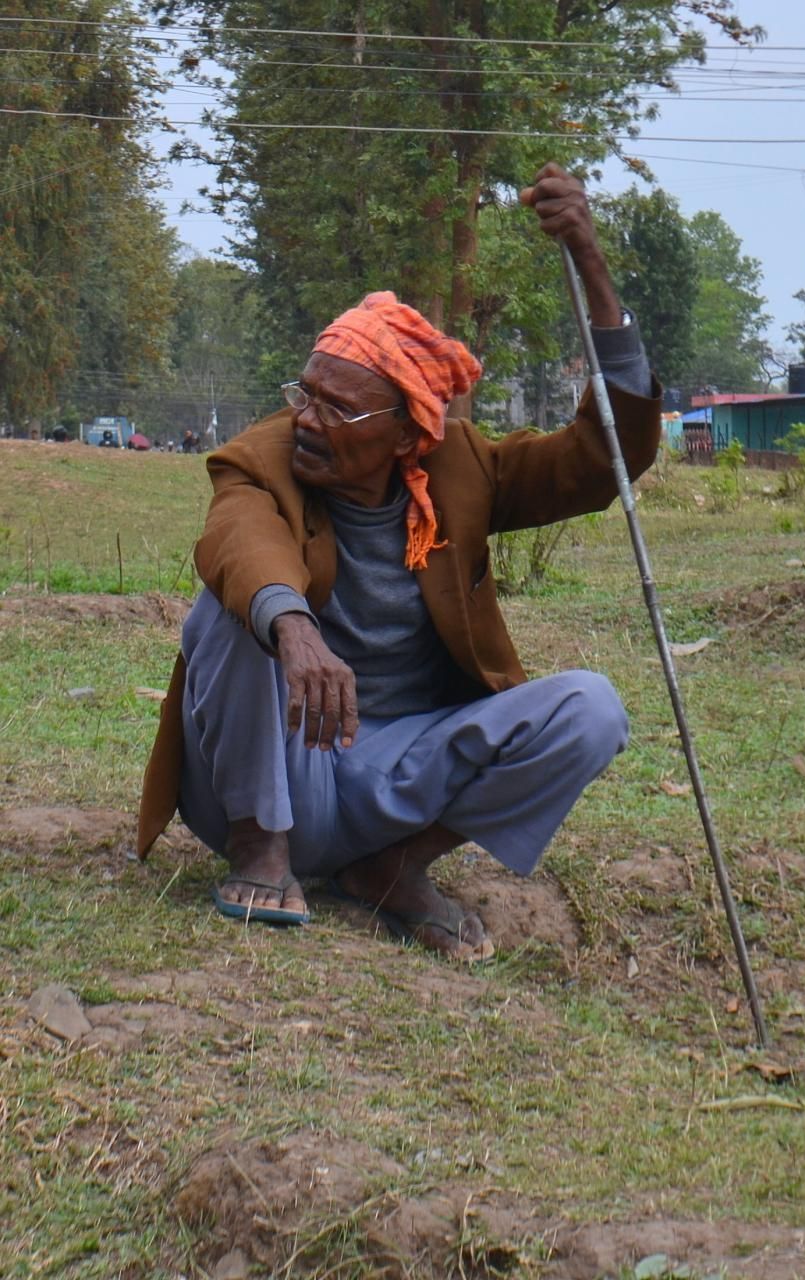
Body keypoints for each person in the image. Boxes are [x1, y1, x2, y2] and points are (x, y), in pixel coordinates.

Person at [136, 164, 662, 960]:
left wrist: (590, 261)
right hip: (282, 770)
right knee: (229, 609)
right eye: (303, 392)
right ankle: (261, 849)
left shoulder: (462, 469)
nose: (305, 417)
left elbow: (600, 462)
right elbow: (240, 542)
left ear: (407, 431)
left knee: (592, 711)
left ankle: (393, 868)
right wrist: (297, 631)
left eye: (335, 406)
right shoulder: (263, 456)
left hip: (401, 776)